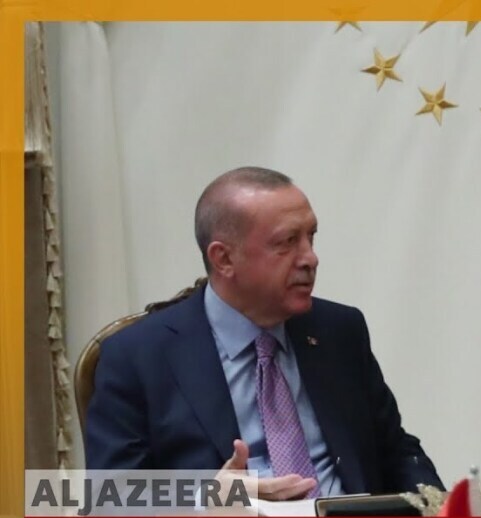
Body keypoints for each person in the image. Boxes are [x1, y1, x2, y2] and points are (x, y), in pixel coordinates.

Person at [85, 167, 443, 499]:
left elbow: (395, 449)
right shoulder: (138, 356)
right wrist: (207, 498)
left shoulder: (339, 330)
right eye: (287, 242)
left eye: (310, 237)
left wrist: (441, 512)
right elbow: (111, 500)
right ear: (224, 259)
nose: (310, 258)